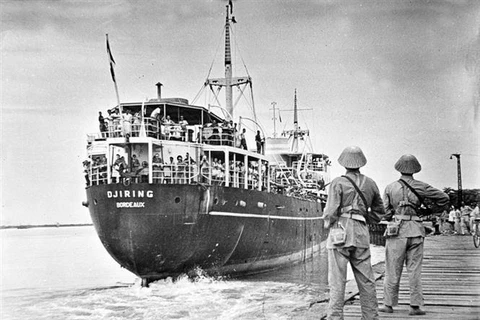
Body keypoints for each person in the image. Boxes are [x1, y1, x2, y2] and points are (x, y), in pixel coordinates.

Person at [379, 154, 449, 316]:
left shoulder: (390, 187)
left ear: (398, 168)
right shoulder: (421, 186)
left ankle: (388, 304)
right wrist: (430, 211)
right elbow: (443, 198)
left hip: (396, 231)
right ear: (415, 169)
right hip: (416, 230)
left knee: (392, 269)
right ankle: (415, 306)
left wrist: (392, 215)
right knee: (414, 269)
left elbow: (386, 212)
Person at [322, 146, 386, 320]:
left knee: (337, 280)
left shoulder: (337, 182)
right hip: (361, 232)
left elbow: (330, 212)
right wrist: (365, 219)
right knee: (366, 279)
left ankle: (335, 316)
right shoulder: (371, 183)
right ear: (361, 163)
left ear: (343, 163)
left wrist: (329, 222)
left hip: (340, 232)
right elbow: (380, 211)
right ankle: (370, 316)